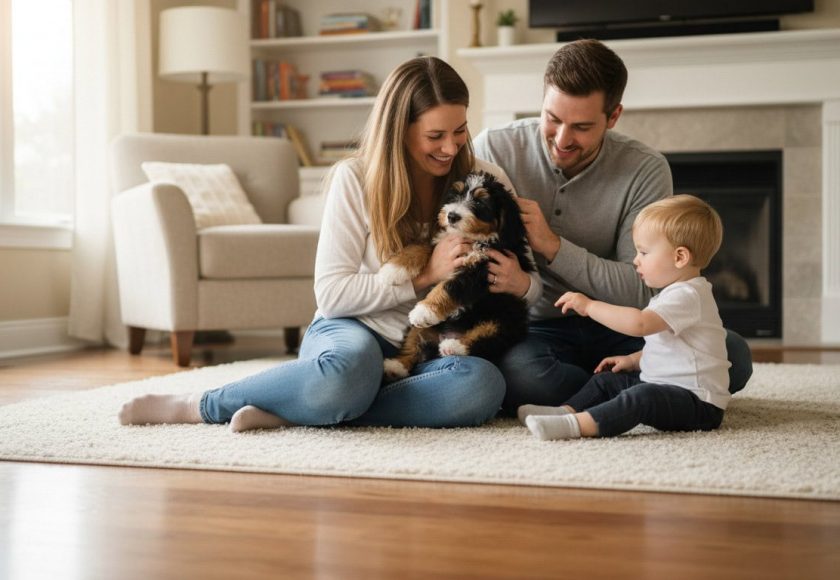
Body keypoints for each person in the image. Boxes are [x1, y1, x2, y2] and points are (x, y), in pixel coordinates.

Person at [118, 56, 541, 432]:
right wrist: (426, 276)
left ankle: (302, 408)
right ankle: (207, 404)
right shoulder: (355, 179)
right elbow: (332, 293)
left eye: (460, 130)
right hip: (352, 328)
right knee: (345, 374)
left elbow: (532, 284)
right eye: (435, 136)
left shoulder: (485, 180)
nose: (451, 147)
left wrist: (520, 282)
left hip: (426, 349)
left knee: (481, 387)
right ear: (400, 130)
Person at [472, 39, 752, 412]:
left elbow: (641, 290)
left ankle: (603, 392)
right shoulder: (494, 149)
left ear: (614, 116)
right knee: (525, 374)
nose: (562, 139)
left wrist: (552, 246)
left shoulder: (645, 169)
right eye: (553, 119)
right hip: (537, 327)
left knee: (732, 354)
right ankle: (639, 390)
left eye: (582, 127)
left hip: (623, 324)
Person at [520, 194, 730, 440]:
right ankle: (563, 411)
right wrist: (632, 360)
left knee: (640, 399)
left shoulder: (688, 295)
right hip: (663, 387)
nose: (635, 260)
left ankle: (576, 426)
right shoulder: (674, 293)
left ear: (680, 257)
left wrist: (589, 306)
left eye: (643, 252)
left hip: (697, 403)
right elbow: (672, 348)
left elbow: (639, 324)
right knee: (607, 382)